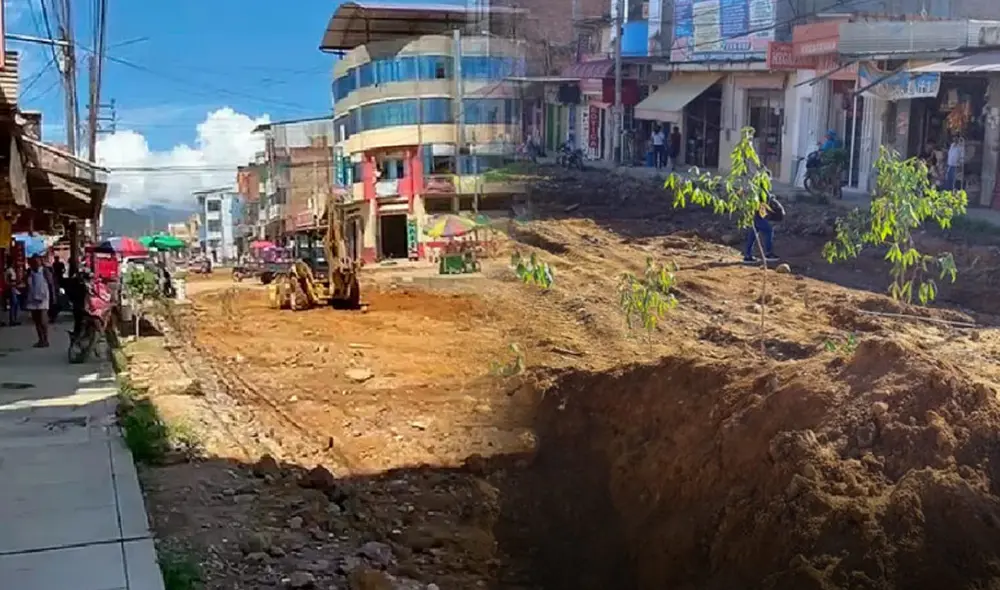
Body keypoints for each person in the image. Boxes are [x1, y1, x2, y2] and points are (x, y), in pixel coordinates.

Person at [743, 194, 784, 265]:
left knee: (752, 234)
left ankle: (747, 255)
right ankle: (769, 253)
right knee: (769, 230)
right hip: (757, 214)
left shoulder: (755, 188)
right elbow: (763, 201)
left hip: (753, 214)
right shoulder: (761, 188)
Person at [24, 255, 52, 347]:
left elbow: (51, 283)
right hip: (32, 298)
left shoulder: (45, 271)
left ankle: (46, 339)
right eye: (34, 262)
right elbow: (26, 284)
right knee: (36, 320)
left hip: (43, 298)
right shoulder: (29, 272)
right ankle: (41, 340)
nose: (36, 264)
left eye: (37, 262)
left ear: (40, 262)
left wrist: (54, 297)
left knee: (43, 320)